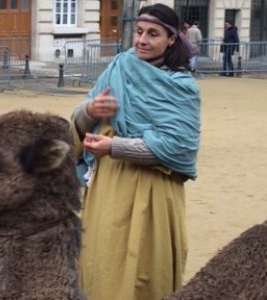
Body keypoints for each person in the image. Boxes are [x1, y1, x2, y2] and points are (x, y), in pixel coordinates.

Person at [71, 3, 200, 300]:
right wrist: (89, 111)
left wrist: (113, 146)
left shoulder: (181, 86)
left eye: (153, 34)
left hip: (154, 194)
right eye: (139, 32)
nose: (142, 40)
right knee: (102, 264)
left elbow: (178, 147)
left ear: (171, 39)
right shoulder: (118, 66)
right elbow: (77, 123)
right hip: (108, 191)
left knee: (144, 274)